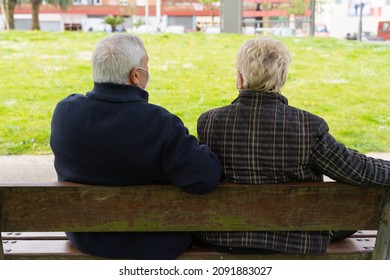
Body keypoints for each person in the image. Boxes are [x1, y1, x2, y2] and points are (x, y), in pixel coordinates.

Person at [196, 37, 390, 255]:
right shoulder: (308, 126)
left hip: (224, 236)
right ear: (282, 78)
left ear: (239, 77)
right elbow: (357, 170)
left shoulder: (209, 122)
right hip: (295, 239)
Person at [50, 33, 221, 260]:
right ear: (136, 75)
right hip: (155, 242)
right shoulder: (159, 123)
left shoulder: (65, 113)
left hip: (87, 236)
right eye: (147, 65)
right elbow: (205, 178)